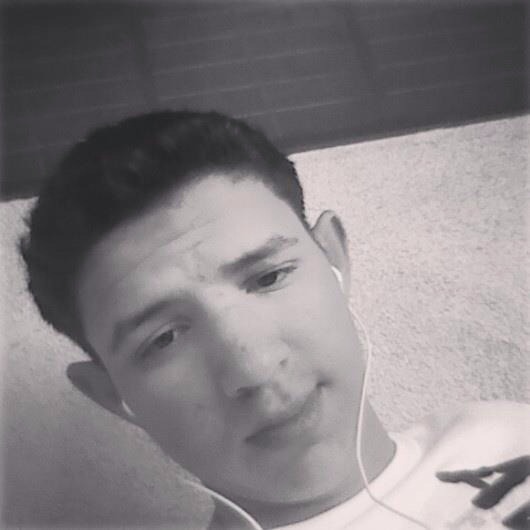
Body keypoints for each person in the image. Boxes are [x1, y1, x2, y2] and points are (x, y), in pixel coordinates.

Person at [20, 111, 529, 530]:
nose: (254, 369)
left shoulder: (506, 430)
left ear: (334, 258)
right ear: (113, 395)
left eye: (268, 278)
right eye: (165, 338)